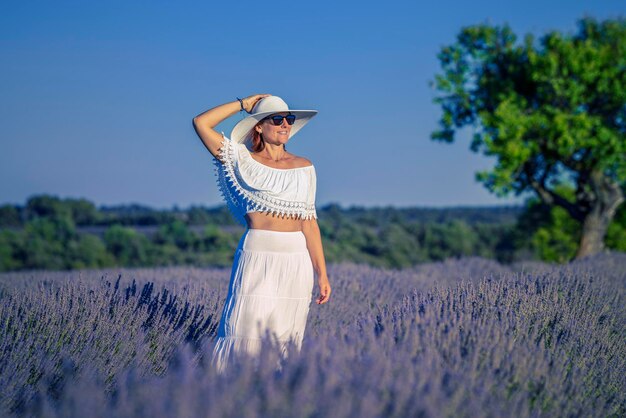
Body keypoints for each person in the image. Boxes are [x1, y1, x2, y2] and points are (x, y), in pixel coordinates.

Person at [192, 94, 332, 374]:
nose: (285, 125)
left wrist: (322, 274)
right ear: (258, 126)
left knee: (285, 334)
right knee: (242, 327)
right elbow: (201, 123)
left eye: (289, 119)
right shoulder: (239, 159)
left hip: (296, 259)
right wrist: (244, 104)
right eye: (277, 119)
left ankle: (274, 398)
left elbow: (309, 223)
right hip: (257, 253)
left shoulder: (305, 167)